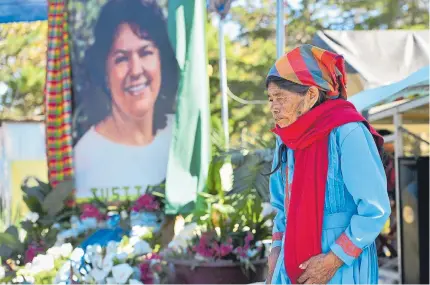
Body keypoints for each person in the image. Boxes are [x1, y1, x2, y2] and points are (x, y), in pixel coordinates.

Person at [265, 44, 391, 284]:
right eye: (271, 99)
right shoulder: (285, 143)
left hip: (343, 266)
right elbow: (283, 208)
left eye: (280, 98)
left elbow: (375, 209)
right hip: (290, 266)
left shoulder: (348, 132)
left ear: (311, 95)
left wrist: (333, 260)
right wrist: (276, 251)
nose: (273, 107)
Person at [73, 0, 179, 201]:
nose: (136, 70)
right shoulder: (85, 156)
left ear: (161, 61)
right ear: (104, 71)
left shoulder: (181, 137)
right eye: (121, 58)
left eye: (145, 53)